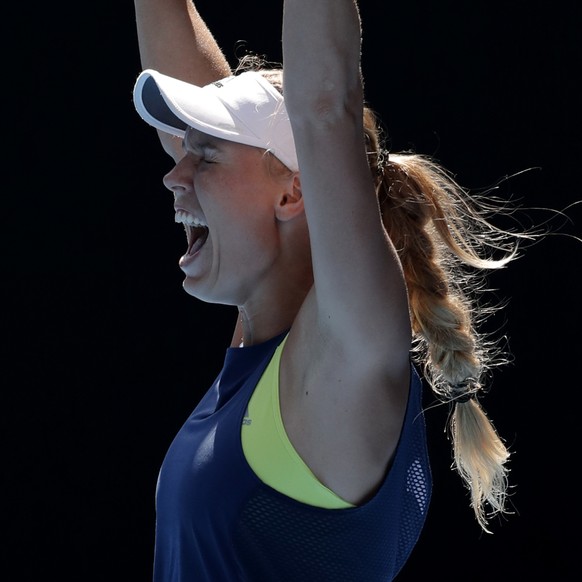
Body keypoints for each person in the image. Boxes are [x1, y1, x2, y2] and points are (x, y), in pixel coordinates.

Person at [131, 1, 522, 580]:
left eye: (206, 158)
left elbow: (323, 107)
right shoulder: (267, 352)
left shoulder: (345, 351)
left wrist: (308, 124)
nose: (174, 174)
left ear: (294, 193)